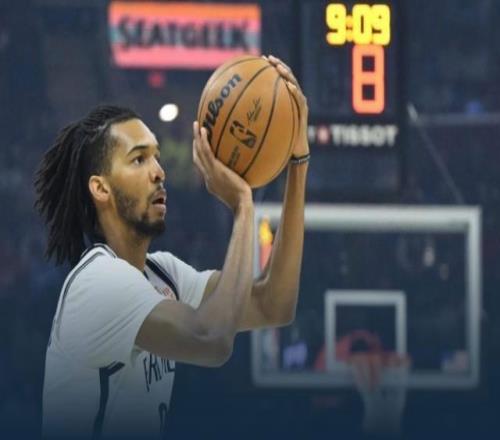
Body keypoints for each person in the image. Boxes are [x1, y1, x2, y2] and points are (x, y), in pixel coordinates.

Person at [34, 55, 309, 439]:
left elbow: (272, 305)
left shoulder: (162, 273)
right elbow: (211, 340)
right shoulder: (97, 283)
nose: (159, 172)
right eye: (138, 159)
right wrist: (243, 207)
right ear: (101, 188)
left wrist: (298, 162)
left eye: (156, 157)